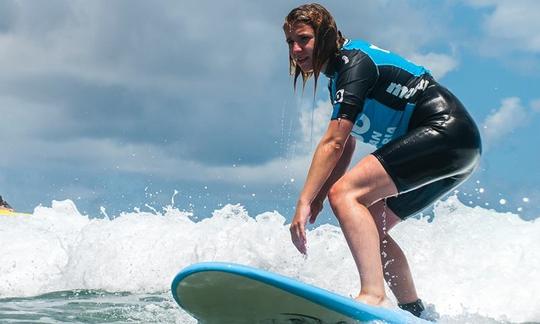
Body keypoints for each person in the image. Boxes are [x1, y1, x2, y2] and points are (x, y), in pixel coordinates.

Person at [284, 3, 481, 318]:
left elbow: (333, 141)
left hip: (444, 131)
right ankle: (412, 311)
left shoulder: (354, 65)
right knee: (370, 222)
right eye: (290, 42)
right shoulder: (340, 76)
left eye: (304, 39)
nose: (296, 49)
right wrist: (321, 194)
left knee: (346, 194)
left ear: (325, 36)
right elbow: (346, 144)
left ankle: (373, 296)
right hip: (459, 148)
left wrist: (304, 201)